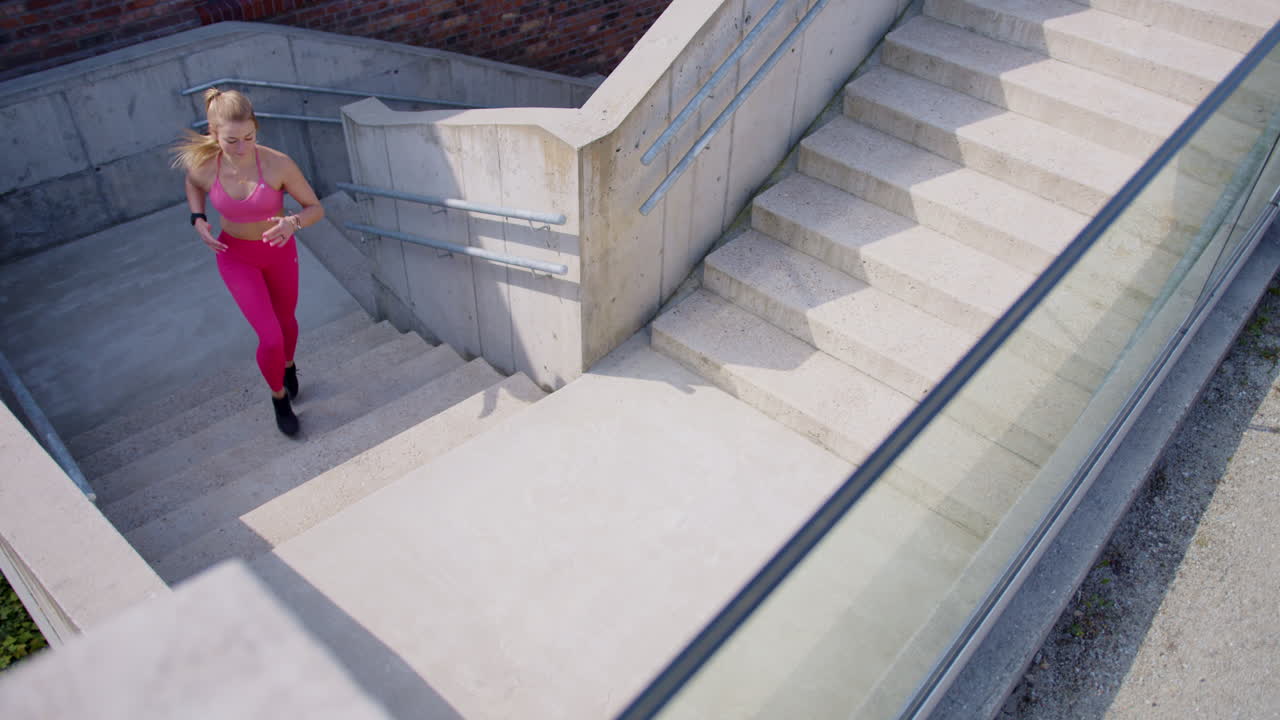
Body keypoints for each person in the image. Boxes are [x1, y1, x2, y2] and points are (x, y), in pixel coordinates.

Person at [171, 88, 324, 436]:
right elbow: (192, 183)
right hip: (236, 257)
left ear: (256, 128)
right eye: (231, 140)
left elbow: (316, 208)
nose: (242, 148)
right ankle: (279, 397)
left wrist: (293, 223)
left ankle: (288, 365)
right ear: (213, 133)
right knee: (269, 337)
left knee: (286, 323)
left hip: (279, 252)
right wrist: (197, 218)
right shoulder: (206, 165)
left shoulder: (278, 163)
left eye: (249, 137)